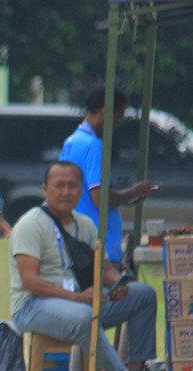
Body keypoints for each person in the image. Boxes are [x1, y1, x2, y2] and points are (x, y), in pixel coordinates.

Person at [9, 161, 167, 371]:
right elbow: (29, 281)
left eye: (72, 186)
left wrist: (117, 285)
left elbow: (104, 271)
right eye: (58, 185)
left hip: (80, 302)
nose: (65, 192)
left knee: (143, 294)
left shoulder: (85, 224)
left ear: (81, 191)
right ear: (44, 190)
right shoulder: (31, 224)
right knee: (84, 315)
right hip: (33, 306)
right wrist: (77, 298)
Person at [60, 86, 160, 265]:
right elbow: (100, 197)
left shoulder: (72, 140)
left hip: (78, 239)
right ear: (105, 112)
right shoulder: (93, 145)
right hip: (100, 243)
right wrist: (132, 193)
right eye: (117, 117)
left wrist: (128, 197)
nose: (116, 125)